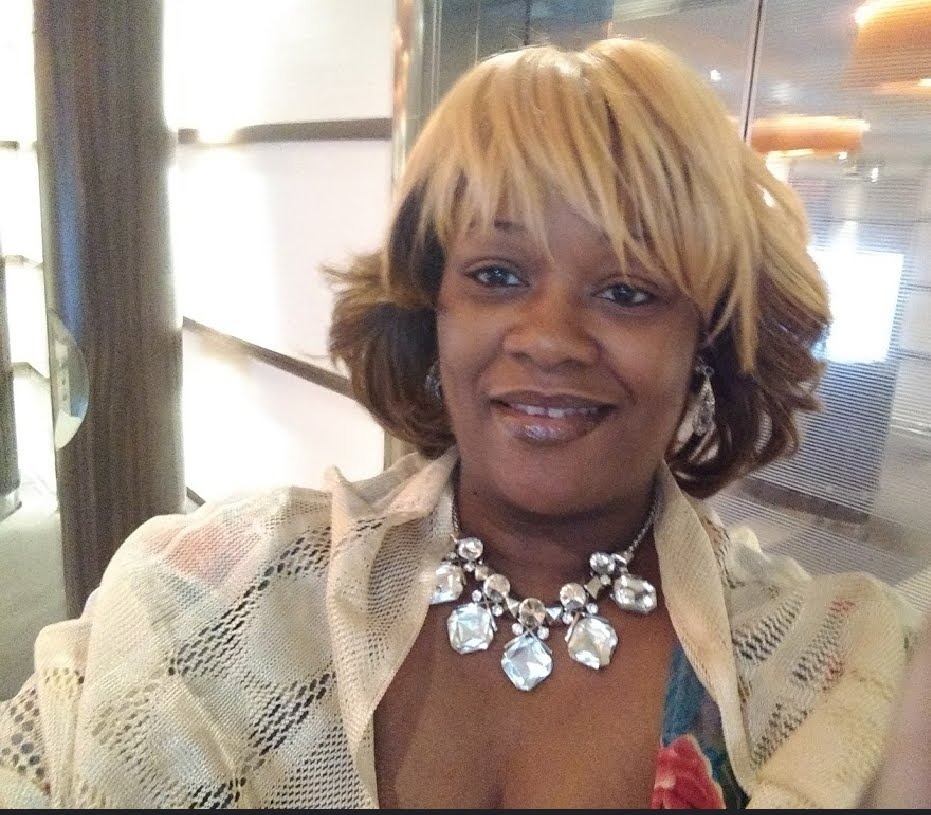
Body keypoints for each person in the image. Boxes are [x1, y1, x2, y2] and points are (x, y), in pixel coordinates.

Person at [0, 36, 926, 809]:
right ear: (428, 310)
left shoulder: (828, 667)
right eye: (497, 275)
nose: (549, 338)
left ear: (707, 343)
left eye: (626, 290)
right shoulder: (216, 588)